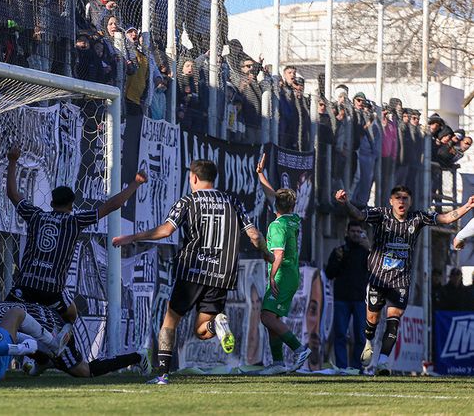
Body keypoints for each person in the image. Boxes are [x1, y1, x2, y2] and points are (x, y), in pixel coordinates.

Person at [112, 159, 274, 385]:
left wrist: (133, 237)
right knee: (202, 331)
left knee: (169, 322)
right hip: (222, 274)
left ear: (194, 178)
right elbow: (255, 235)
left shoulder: (188, 201)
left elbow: (166, 231)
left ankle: (162, 375)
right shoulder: (233, 202)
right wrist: (266, 253)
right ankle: (216, 324)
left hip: (193, 271)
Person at [335, 186, 474, 375]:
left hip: (400, 281)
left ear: (410, 201)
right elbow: (359, 215)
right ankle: (369, 342)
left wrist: (467, 206)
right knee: (372, 321)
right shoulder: (380, 215)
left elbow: (446, 218)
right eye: (398, 198)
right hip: (378, 279)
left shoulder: (417, 218)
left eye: (405, 198)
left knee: (394, 320)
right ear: (391, 201)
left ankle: (383, 362)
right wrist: (346, 203)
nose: (401, 201)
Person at [5, 147, 147, 326]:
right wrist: (136, 183)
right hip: (51, 293)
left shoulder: (35, 216)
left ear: (51, 203)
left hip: (24, 288)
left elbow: (12, 193)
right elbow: (113, 205)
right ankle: (57, 343)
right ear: (71, 205)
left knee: (5, 316)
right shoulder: (75, 221)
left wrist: (12, 160)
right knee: (71, 315)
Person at [0, 298, 151, 378]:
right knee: (16, 340)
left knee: (83, 371)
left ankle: (138, 356)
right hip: (46, 316)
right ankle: (44, 360)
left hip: (56, 331)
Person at [254, 155, 312, 374]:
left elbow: (277, 255)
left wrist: (271, 277)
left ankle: (299, 349)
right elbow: (272, 195)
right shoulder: (292, 218)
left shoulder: (277, 226)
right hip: (291, 274)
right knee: (273, 318)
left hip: (281, 274)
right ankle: (278, 363)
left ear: (276, 205)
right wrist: (261, 174)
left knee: (266, 317)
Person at [324, 221, 370, 371]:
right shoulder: (339, 251)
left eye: (358, 232)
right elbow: (329, 273)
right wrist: (338, 259)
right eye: (353, 231)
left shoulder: (366, 254)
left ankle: (357, 367)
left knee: (360, 337)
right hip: (341, 299)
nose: (355, 234)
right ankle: (342, 367)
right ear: (347, 232)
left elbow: (375, 271)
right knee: (340, 335)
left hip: (359, 300)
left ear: (362, 233)